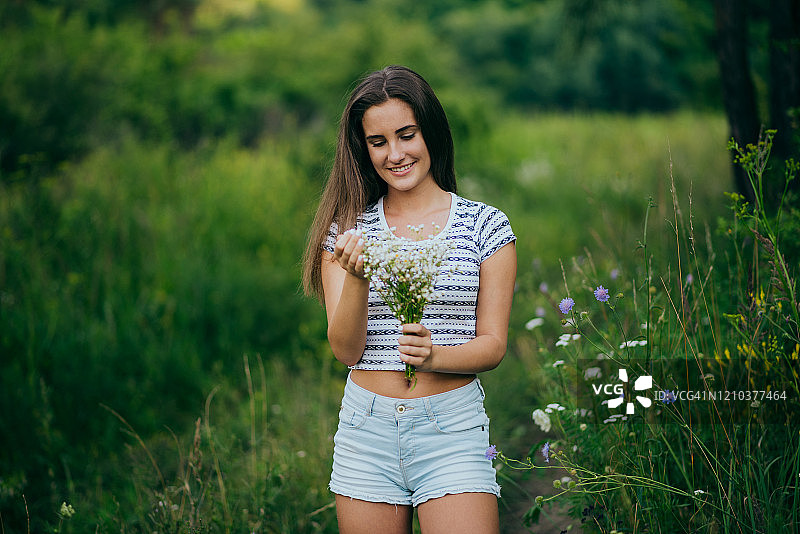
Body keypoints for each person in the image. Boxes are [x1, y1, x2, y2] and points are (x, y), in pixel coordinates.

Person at [302, 65, 517, 534]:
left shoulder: (486, 227)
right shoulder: (346, 232)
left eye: (406, 135)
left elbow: (493, 345)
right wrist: (358, 277)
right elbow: (345, 351)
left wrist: (436, 354)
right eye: (378, 142)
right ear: (363, 148)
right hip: (367, 433)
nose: (395, 154)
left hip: (453, 431)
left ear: (430, 133)